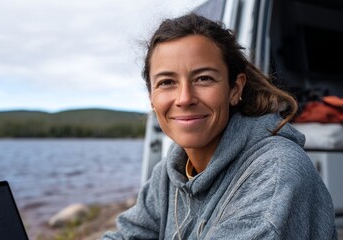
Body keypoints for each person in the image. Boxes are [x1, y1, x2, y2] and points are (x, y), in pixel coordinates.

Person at [102, 13, 337, 239]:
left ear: (235, 89)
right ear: (152, 98)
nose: (184, 98)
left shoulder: (276, 174)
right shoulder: (169, 172)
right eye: (167, 82)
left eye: (204, 78)